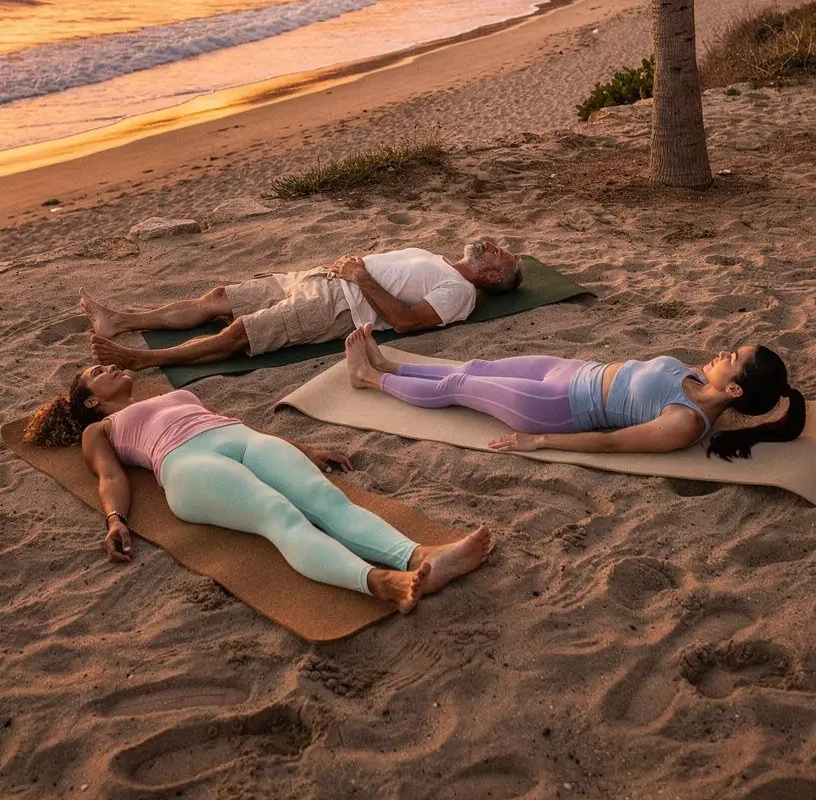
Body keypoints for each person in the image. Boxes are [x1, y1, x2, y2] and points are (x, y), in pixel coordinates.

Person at [24, 363, 493, 613]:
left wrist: (302, 448)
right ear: (91, 400)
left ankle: (419, 556)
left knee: (325, 500)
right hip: (186, 463)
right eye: (96, 372)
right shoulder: (100, 429)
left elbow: (233, 424)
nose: (109, 366)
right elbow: (110, 477)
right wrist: (114, 519)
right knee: (279, 514)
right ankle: (380, 583)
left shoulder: (168, 394)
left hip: (242, 438)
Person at [344, 327, 806, 460]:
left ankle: (367, 379)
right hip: (570, 370)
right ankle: (390, 365)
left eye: (733, 355)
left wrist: (539, 441)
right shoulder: (699, 377)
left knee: (458, 385)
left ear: (735, 387)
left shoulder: (685, 422)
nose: (723, 351)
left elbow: (609, 443)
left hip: (560, 407)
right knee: (476, 367)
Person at [80, 240, 522, 370]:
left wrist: (362, 276)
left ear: (491, 277)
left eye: (500, 253)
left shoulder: (460, 292)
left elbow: (406, 323)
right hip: (322, 277)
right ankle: (119, 320)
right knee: (219, 299)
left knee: (240, 334)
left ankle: (142, 358)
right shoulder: (441, 259)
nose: (492, 245)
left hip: (337, 306)